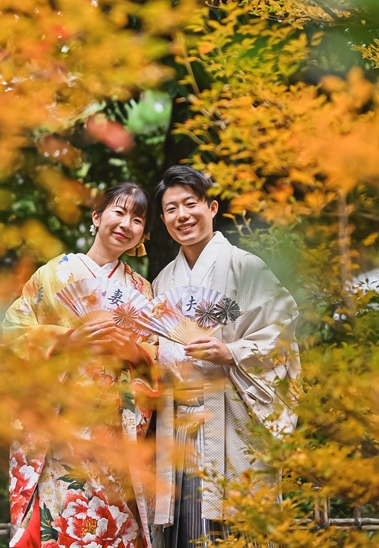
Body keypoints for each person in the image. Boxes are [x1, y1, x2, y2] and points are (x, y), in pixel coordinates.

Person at [151, 166, 300, 548]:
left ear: (211, 207)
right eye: (171, 209)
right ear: (164, 218)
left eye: (190, 204)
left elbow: (282, 331)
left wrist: (230, 352)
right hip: (179, 423)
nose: (182, 216)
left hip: (232, 415)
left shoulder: (246, 267)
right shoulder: (162, 281)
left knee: (237, 521)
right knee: (184, 527)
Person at [4, 183, 159, 548]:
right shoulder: (52, 275)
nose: (126, 224)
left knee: (117, 526)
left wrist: (136, 353)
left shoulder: (142, 288)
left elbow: (160, 355)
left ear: (142, 233)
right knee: (61, 524)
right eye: (118, 212)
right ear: (96, 216)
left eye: (137, 219)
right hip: (59, 431)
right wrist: (65, 340)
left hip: (116, 432)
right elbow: (11, 336)